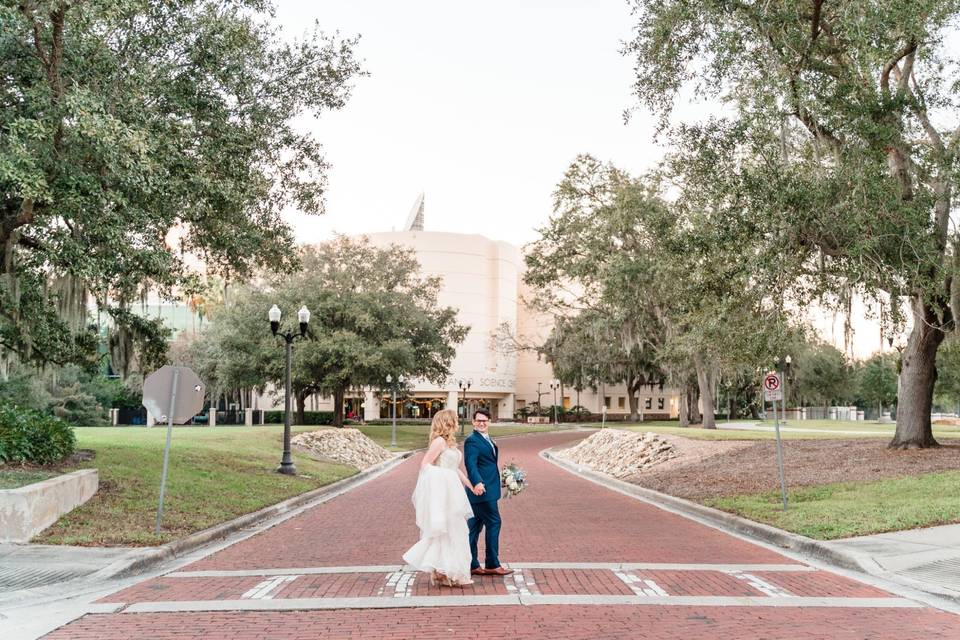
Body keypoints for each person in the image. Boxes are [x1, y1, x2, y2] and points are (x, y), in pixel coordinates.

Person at [402, 409, 481, 587]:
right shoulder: (439, 442)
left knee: (456, 530)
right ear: (448, 422)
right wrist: (445, 478)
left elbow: (455, 469)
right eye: (455, 420)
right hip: (443, 493)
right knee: (445, 531)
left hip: (453, 493)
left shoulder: (450, 444)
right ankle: (442, 571)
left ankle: (445, 572)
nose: (458, 422)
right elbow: (425, 466)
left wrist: (471, 485)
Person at [463, 408, 514, 576]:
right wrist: (477, 482)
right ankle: (492, 563)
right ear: (473, 422)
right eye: (478, 420)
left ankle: (471, 564)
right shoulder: (472, 440)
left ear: (489, 421)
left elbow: (488, 464)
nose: (481, 423)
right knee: (494, 523)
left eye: (484, 420)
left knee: (474, 528)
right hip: (481, 491)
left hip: (487, 488)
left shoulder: (486, 438)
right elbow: (471, 465)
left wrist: (503, 480)